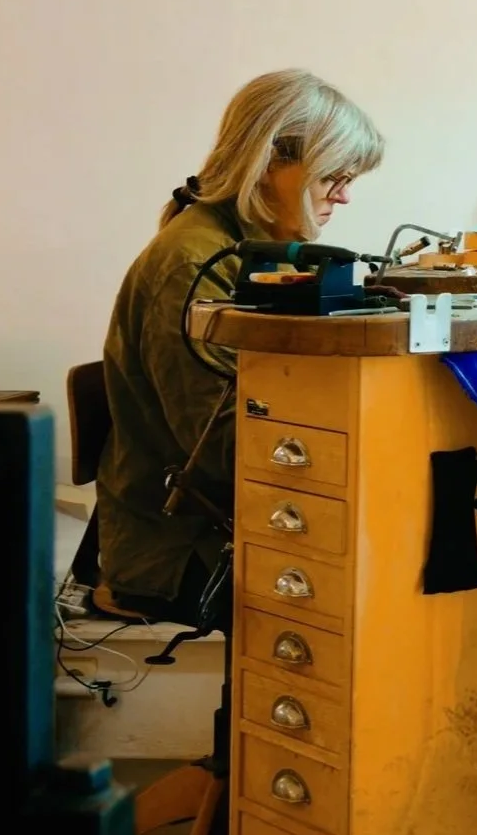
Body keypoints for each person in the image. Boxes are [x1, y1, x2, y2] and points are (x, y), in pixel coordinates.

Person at [96, 69, 384, 618]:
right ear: (271, 162)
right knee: (391, 593)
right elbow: (222, 448)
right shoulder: (192, 262)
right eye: (333, 177)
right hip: (183, 549)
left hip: (223, 521)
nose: (344, 196)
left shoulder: (247, 248)